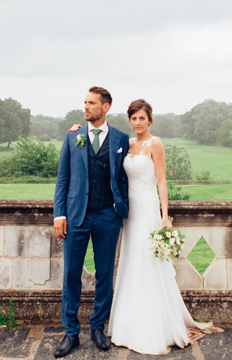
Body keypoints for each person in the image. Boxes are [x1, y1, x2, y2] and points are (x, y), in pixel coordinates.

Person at [104, 99, 222, 355]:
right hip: (129, 213)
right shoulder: (127, 143)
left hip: (147, 209)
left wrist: (164, 216)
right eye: (133, 119)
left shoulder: (154, 144)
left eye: (142, 119)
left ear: (150, 120)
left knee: (149, 261)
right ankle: (128, 324)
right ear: (130, 121)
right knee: (131, 261)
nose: (137, 123)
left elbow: (162, 182)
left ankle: (155, 326)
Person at [52, 87, 130, 357]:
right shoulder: (73, 136)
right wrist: (58, 214)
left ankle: (98, 326)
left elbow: (123, 178)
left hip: (108, 217)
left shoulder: (121, 138)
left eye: (91, 103)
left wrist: (121, 209)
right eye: (84, 102)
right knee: (71, 274)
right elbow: (63, 178)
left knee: (104, 274)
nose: (85, 107)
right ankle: (71, 333)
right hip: (75, 216)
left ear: (105, 107)